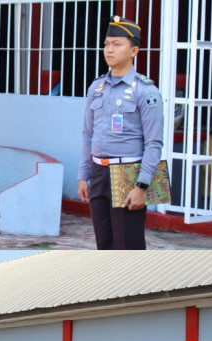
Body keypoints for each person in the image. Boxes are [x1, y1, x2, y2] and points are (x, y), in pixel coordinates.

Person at [77, 15, 164, 250]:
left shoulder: (146, 91)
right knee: (103, 244)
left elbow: (154, 143)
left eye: (117, 44)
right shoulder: (96, 88)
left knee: (128, 246)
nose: (109, 50)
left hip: (128, 172)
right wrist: (83, 175)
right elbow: (87, 134)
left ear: (134, 50)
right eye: (106, 44)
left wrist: (142, 187)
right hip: (98, 171)